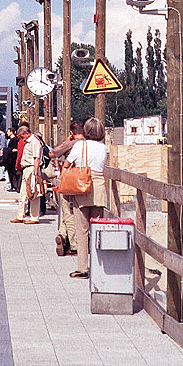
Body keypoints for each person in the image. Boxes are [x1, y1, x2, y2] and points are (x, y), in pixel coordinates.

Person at [63, 117, 108, 278]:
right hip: (99, 188)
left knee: (82, 230)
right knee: (97, 229)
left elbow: (66, 164)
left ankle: (83, 268)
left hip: (82, 188)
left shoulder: (80, 145)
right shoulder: (104, 148)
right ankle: (98, 266)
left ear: (86, 130)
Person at [50, 120, 84, 256]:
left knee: (68, 211)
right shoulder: (88, 144)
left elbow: (52, 153)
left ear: (71, 132)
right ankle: (62, 236)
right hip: (84, 182)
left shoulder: (71, 144)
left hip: (70, 181)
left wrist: (66, 141)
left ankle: (74, 244)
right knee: (75, 212)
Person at [11, 125, 43, 225]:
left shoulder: (35, 142)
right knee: (23, 194)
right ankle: (20, 216)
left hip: (32, 169)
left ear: (27, 133)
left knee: (33, 193)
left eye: (22, 136)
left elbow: (36, 158)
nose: (22, 138)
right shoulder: (28, 142)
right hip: (26, 169)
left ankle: (34, 217)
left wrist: (35, 173)